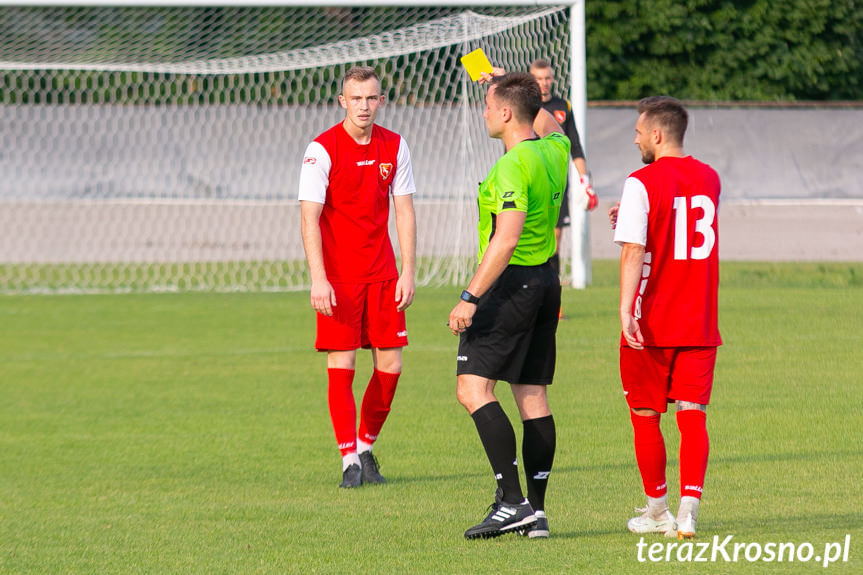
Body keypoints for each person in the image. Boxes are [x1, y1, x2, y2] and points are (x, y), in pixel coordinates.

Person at [448, 71, 569, 539]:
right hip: (546, 281)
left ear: (503, 114)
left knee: (472, 389)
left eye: (488, 104)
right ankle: (535, 513)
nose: (483, 112)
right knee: (532, 394)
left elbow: (507, 236)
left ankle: (512, 502)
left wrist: (469, 297)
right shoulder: (553, 150)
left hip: (510, 285)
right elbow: (551, 124)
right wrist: (510, 85)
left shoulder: (513, 165)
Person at [298, 66, 417, 489]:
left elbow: (404, 209)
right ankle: (348, 457)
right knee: (342, 364)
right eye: (356, 98)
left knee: (391, 366)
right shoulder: (322, 149)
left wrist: (408, 270)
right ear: (342, 101)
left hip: (384, 275)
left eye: (371, 98)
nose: (364, 106)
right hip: (339, 279)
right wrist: (318, 278)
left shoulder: (396, 145)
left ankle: (366, 446)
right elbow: (309, 217)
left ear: (380, 101)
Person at [612, 96, 721, 539]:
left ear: (657, 135)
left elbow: (636, 249)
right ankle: (689, 508)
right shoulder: (710, 177)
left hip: (653, 318)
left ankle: (658, 510)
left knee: (645, 414)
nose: (636, 138)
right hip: (699, 318)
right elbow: (680, 222)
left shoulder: (641, 181)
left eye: (639, 131)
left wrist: (624, 308)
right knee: (692, 414)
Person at [529, 58, 597, 299]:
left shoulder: (562, 106)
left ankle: (552, 303)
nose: (544, 83)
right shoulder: (525, 105)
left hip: (556, 185)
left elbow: (574, 146)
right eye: (539, 79)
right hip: (528, 184)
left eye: (547, 78)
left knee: (554, 240)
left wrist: (585, 182)